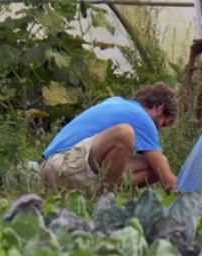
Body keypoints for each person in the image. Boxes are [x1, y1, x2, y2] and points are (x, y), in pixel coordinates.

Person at [40, 82, 179, 192]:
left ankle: (99, 194)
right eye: (163, 123)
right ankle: (106, 199)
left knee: (157, 166)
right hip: (62, 164)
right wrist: (188, 197)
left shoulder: (116, 102)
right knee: (125, 133)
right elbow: (168, 182)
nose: (159, 128)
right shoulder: (142, 117)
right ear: (160, 108)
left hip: (50, 169)